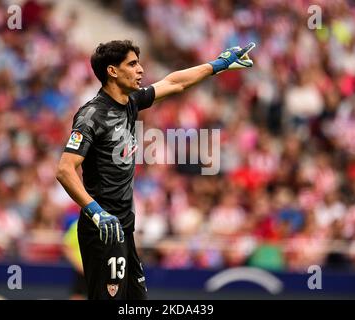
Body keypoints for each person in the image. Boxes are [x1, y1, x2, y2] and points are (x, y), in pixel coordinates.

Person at [56, 39, 255, 300]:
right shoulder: (91, 115)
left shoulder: (130, 102)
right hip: (102, 231)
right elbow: (64, 169)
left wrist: (217, 65)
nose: (140, 70)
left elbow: (174, 83)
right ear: (112, 71)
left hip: (124, 229)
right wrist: (96, 212)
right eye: (132, 63)